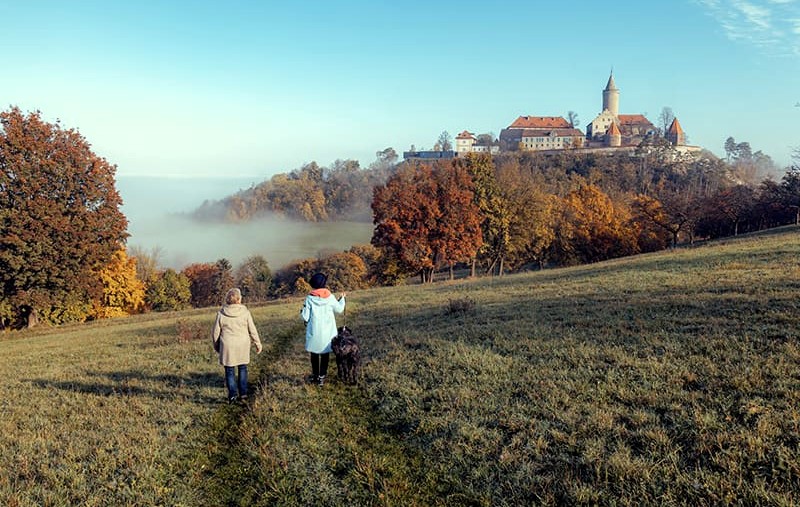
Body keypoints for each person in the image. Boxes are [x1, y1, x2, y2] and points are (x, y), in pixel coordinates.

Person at [212, 288, 262, 403]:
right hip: (243, 345)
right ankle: (243, 394)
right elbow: (252, 329)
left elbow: (215, 333)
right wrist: (257, 343)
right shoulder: (245, 313)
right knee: (242, 368)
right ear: (239, 299)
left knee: (229, 371)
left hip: (228, 346)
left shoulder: (221, 314)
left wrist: (217, 346)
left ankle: (232, 396)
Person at [300, 273, 346, 386]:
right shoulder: (330, 297)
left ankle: (315, 376)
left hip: (314, 332)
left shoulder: (309, 299)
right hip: (328, 333)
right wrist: (342, 299)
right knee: (325, 355)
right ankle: (322, 377)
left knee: (314, 355)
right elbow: (339, 309)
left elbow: (305, 317)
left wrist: (301, 312)